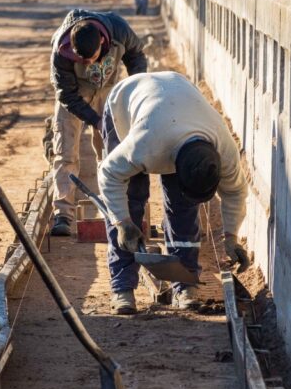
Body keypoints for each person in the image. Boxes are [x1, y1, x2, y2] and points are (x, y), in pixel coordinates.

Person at [97, 71, 251, 314]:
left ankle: (186, 284)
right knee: (131, 200)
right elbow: (109, 174)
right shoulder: (144, 145)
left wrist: (231, 237)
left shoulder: (223, 150)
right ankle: (122, 288)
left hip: (173, 108)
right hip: (126, 108)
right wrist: (122, 222)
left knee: (183, 210)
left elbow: (235, 192)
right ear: (176, 169)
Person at [49, 10, 147, 237]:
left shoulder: (119, 30)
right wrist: (94, 120)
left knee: (111, 151)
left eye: (91, 58)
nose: (87, 63)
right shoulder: (61, 50)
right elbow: (65, 94)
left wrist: (135, 87)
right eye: (81, 60)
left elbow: (136, 55)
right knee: (65, 152)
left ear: (103, 41)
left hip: (108, 92)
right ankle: (63, 214)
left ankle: (115, 211)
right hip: (74, 95)